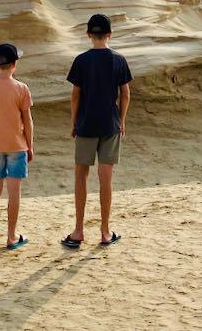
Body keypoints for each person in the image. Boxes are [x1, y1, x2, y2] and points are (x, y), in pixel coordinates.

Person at [62, 14, 131, 248]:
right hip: (110, 124)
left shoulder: (81, 60)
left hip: (86, 124)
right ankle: (104, 231)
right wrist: (121, 120)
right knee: (106, 177)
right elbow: (126, 94)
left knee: (81, 176)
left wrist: (74, 122)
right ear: (110, 34)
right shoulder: (119, 60)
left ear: (89, 34)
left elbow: (75, 95)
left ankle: (79, 230)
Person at [0, 42, 34, 251]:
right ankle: (11, 236)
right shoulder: (21, 88)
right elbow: (28, 121)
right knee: (14, 191)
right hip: (16, 146)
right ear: (14, 65)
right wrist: (30, 145)